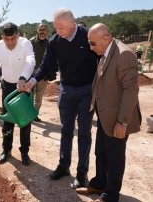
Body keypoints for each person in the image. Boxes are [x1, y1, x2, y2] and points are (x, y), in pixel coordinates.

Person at [24, 8, 98, 187]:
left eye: (61, 28)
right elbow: (45, 65)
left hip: (87, 91)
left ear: (72, 24)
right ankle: (64, 166)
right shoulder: (55, 41)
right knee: (66, 130)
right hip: (66, 91)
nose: (58, 32)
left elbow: (102, 59)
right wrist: (32, 80)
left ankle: (82, 174)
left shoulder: (88, 36)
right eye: (55, 28)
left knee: (84, 133)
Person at [76, 23, 142, 202]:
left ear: (106, 38)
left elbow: (131, 90)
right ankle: (99, 183)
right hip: (105, 116)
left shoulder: (124, 55)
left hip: (117, 118)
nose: (90, 47)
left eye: (92, 43)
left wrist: (122, 122)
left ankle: (110, 194)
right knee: (101, 153)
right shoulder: (105, 52)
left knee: (115, 157)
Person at [0, 22, 35, 166]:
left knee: (24, 121)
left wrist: (23, 77)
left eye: (13, 39)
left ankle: (24, 152)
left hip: (23, 86)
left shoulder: (25, 43)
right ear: (2, 37)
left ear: (18, 35)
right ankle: (6, 150)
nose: (10, 43)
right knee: (8, 120)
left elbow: (31, 60)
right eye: (7, 39)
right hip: (7, 86)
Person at [29, 23, 49, 122]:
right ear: (37, 30)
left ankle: (34, 115)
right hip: (31, 73)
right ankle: (28, 114)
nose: (42, 31)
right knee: (30, 96)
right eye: (40, 29)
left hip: (44, 75)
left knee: (39, 97)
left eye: (43, 29)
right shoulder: (30, 42)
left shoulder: (50, 43)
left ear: (47, 31)